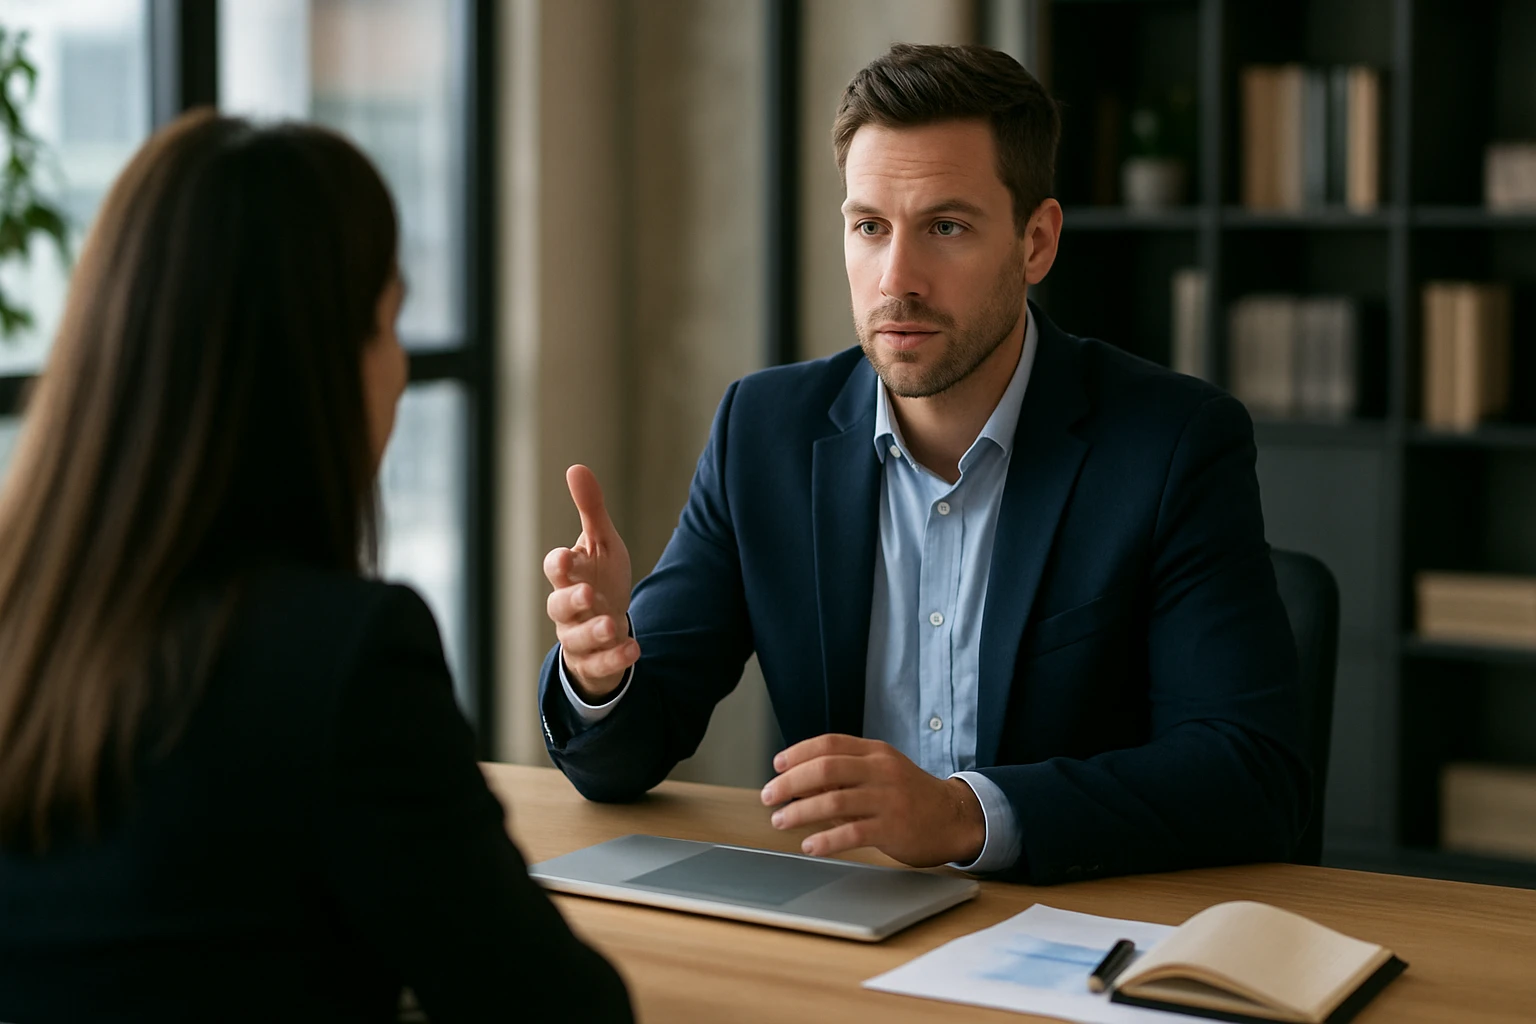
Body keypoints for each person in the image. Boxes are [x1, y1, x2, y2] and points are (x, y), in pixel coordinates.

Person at [539, 43, 1309, 886]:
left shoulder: (1172, 444)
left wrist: (964, 815)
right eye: (870, 227)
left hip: (1075, 926)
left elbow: (1251, 776)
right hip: (845, 915)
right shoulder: (763, 433)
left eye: (946, 227)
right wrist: (597, 676)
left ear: (1037, 242)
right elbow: (624, 757)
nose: (895, 279)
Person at [0, 110, 632, 1023]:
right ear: (314, 365)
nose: (401, 369)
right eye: (388, 323)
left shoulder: (25, 626)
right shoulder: (347, 661)